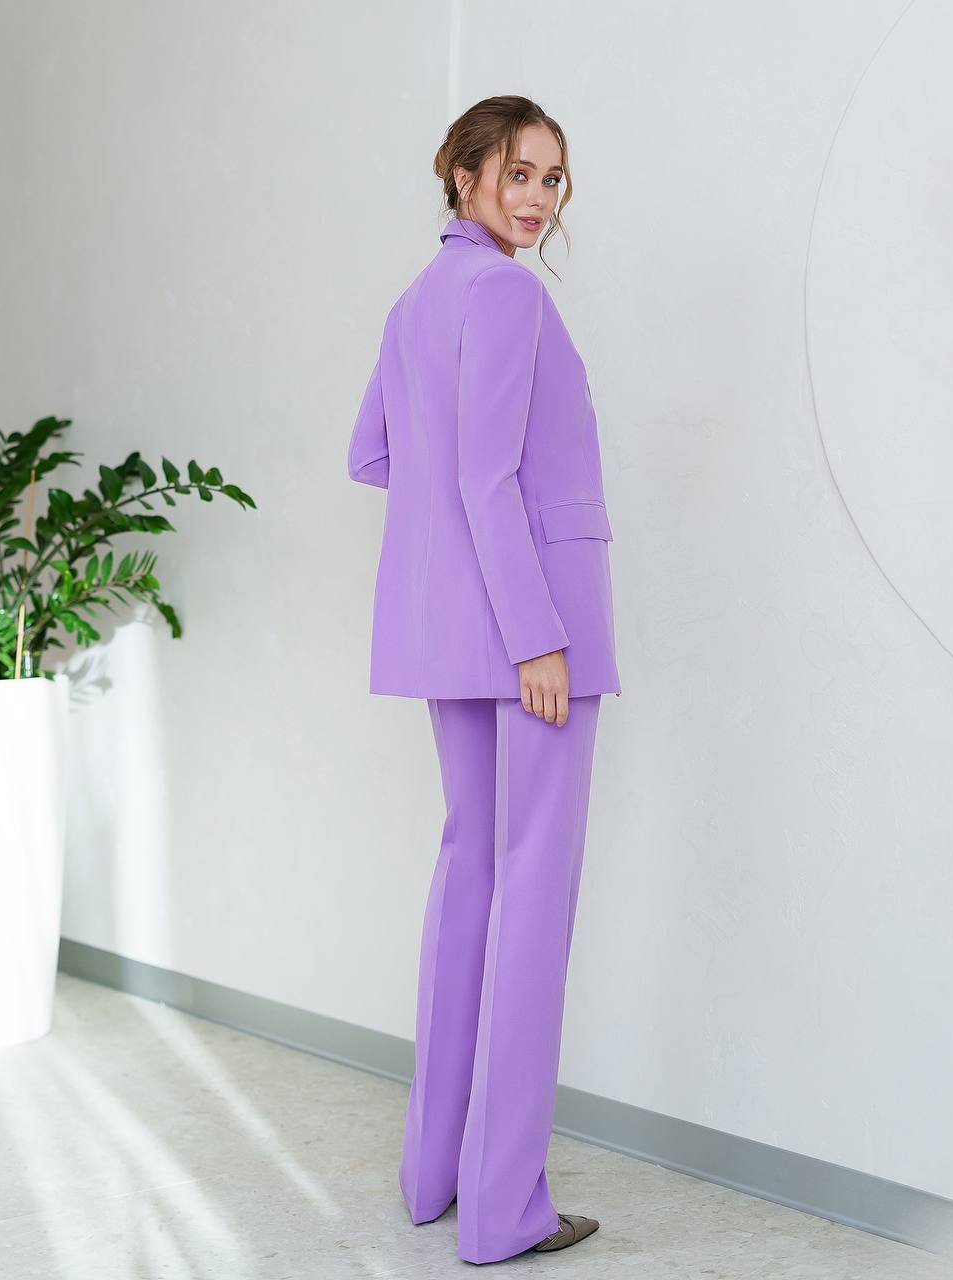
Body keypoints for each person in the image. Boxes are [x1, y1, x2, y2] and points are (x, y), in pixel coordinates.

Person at [346, 94, 621, 1265]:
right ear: (460, 173)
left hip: (442, 630)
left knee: (468, 871)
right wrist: (536, 632)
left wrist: (460, 572)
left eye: (554, 179)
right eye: (518, 172)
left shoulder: (419, 299)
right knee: (531, 896)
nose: (537, 197)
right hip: (529, 631)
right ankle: (505, 1206)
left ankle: (432, 1175)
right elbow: (486, 470)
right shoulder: (508, 293)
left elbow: (376, 452)